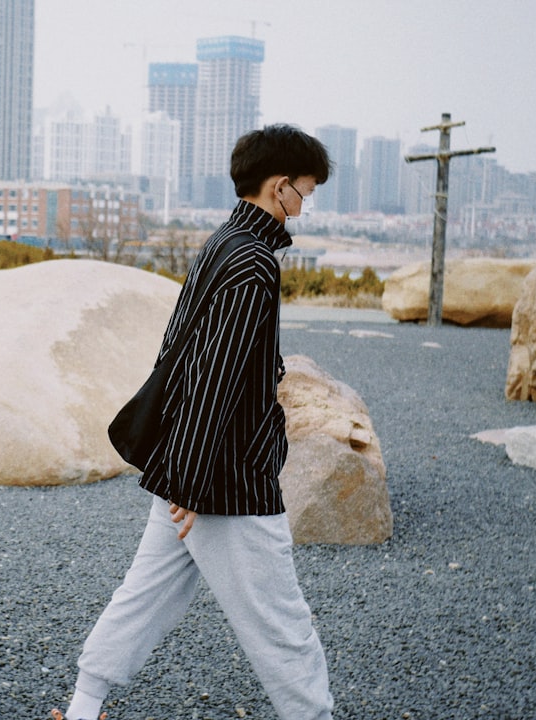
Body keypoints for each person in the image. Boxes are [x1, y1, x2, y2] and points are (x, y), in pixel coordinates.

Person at [51, 125, 334, 720]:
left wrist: (179, 473)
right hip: (226, 481)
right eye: (305, 193)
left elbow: (178, 352)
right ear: (279, 187)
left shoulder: (221, 243)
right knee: (282, 624)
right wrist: (189, 482)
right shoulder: (253, 263)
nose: (304, 207)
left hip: (192, 467)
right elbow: (216, 378)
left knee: (146, 593)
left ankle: (84, 707)